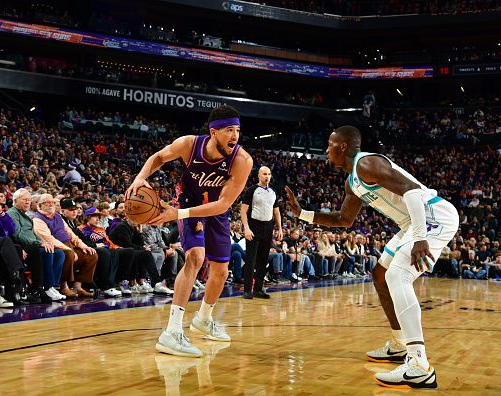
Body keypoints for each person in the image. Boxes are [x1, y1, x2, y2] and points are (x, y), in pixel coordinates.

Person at [285, 125, 459, 389]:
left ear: (343, 146)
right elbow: (344, 220)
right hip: (411, 224)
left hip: (433, 216)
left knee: (397, 275)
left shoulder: (366, 163)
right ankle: (400, 345)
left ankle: (419, 365)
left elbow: (412, 191)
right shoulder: (352, 181)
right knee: (380, 275)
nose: (326, 149)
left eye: (330, 144)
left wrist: (421, 236)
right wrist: (302, 214)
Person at [126, 105, 253, 358]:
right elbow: (159, 158)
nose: (235, 136)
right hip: (188, 201)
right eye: (229, 130)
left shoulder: (242, 160)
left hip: (215, 210)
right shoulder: (189, 144)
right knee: (195, 257)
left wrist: (177, 215)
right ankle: (172, 332)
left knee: (221, 271)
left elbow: (224, 204)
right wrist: (140, 177)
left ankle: (204, 319)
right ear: (213, 132)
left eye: (238, 130)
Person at [240, 166, 282, 299]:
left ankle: (258, 289)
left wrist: (280, 228)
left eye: (269, 174)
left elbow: (276, 211)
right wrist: (246, 228)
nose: (267, 176)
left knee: (263, 260)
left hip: (268, 227)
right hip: (253, 226)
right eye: (264, 174)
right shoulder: (252, 190)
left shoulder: (273, 191)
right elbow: (243, 211)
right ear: (259, 175)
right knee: (251, 259)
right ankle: (247, 290)